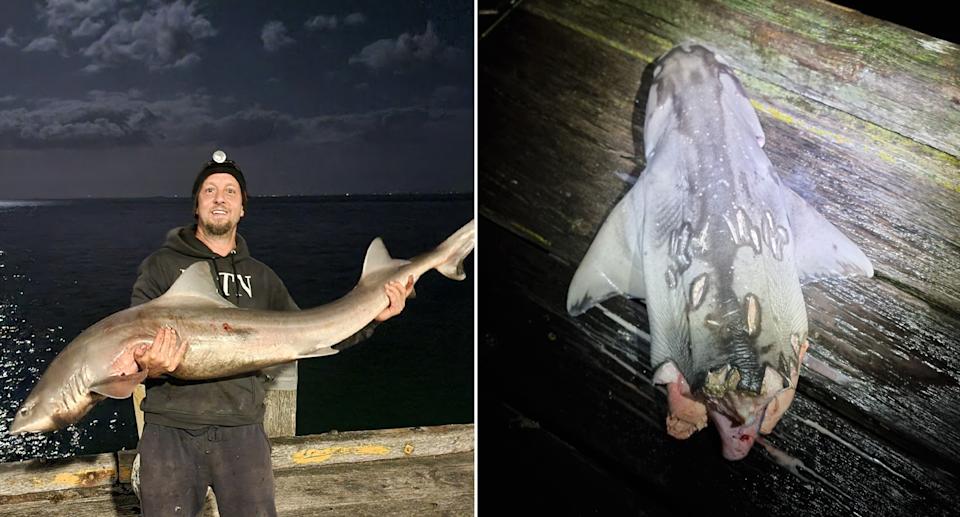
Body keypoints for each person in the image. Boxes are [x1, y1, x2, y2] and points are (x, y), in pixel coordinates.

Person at [129, 151, 413, 516]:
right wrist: (148, 364)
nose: (220, 198)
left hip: (242, 431)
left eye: (231, 191)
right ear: (196, 206)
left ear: (242, 208)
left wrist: (375, 316)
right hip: (171, 432)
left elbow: (316, 335)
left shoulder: (263, 278)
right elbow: (129, 346)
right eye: (210, 190)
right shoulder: (161, 267)